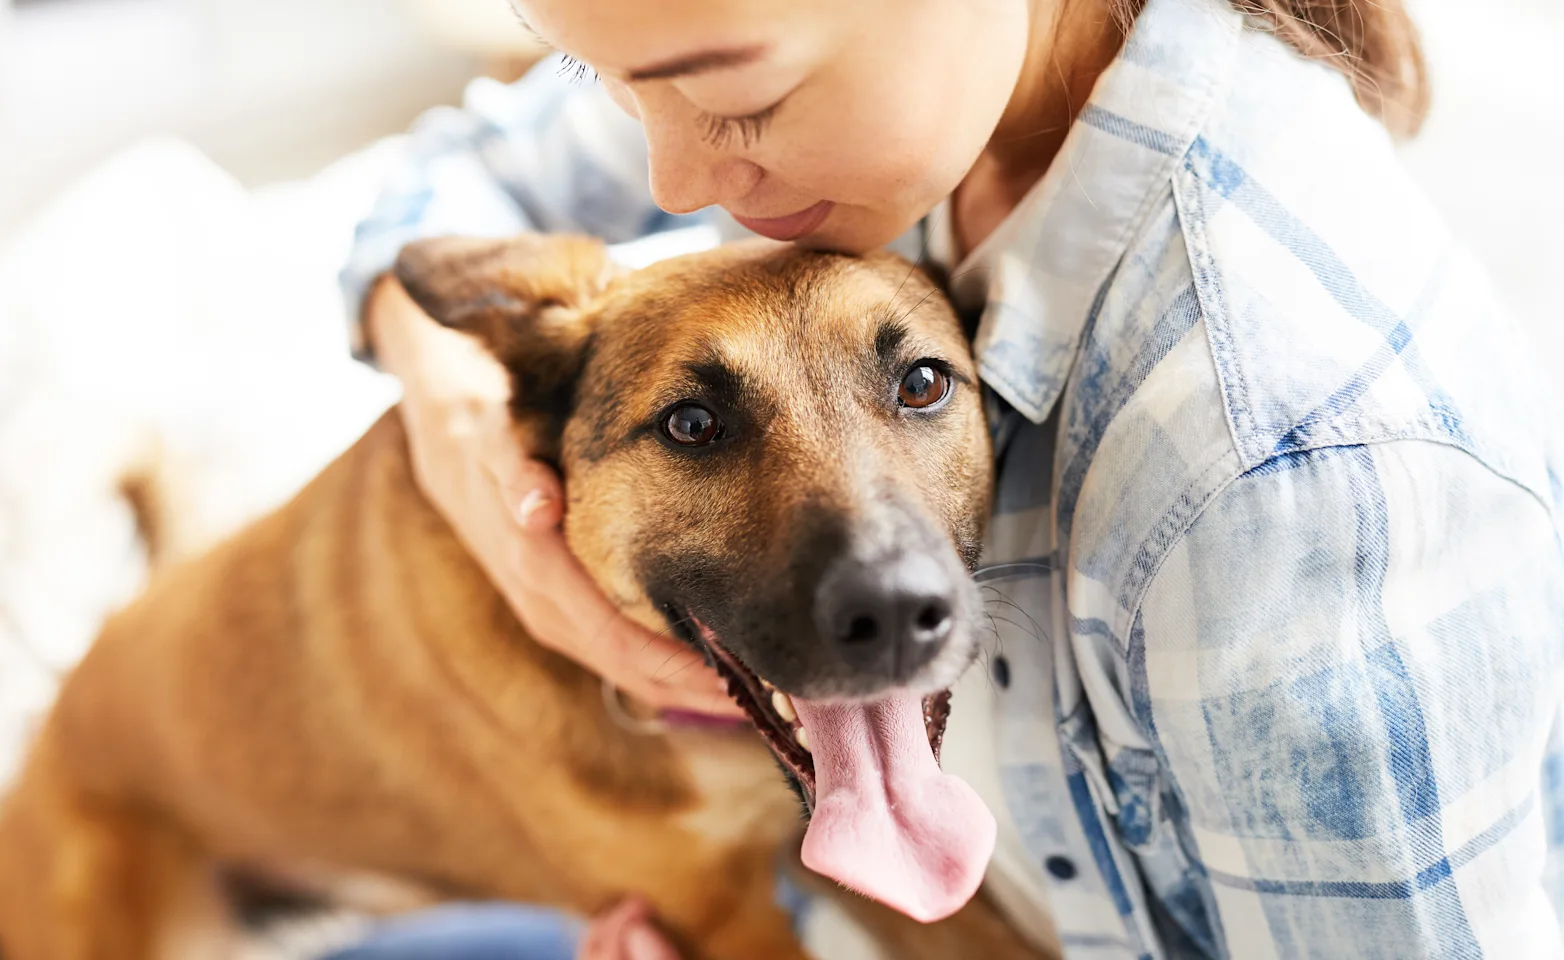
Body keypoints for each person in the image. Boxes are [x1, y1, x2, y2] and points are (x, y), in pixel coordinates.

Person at [339, 0, 1564, 957]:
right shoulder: (822, 65)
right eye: (607, 83)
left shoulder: (1274, 484)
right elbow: (427, 193)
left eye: (737, 97)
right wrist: (469, 447)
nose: (671, 185)